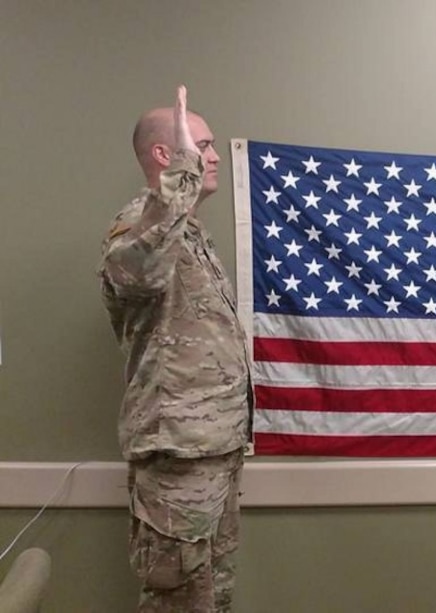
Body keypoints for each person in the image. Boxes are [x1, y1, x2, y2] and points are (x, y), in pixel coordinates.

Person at [98, 85, 251, 612]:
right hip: (177, 459)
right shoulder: (140, 228)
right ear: (167, 155)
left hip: (214, 451)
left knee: (211, 597)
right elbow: (139, 269)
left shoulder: (192, 236)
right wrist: (182, 173)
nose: (211, 158)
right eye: (201, 146)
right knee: (179, 601)